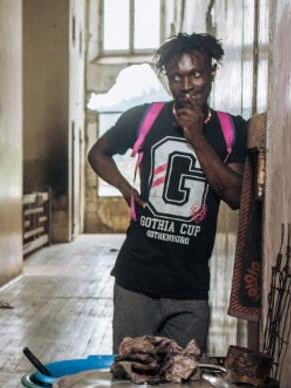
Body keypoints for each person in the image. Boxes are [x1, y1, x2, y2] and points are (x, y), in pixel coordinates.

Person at [88, 32, 247, 352]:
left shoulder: (232, 129)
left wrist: (196, 138)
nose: (186, 86)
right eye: (176, 77)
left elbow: (234, 196)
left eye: (196, 74)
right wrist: (125, 189)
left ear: (212, 71)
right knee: (132, 371)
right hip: (137, 281)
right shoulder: (144, 117)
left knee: (184, 374)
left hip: (190, 288)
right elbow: (98, 153)